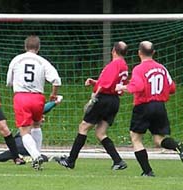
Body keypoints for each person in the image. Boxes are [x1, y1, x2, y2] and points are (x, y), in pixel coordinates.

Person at [115, 41, 183, 177]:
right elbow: (172, 88)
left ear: (139, 53)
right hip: (159, 106)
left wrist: (123, 87)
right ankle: (176, 145)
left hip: (143, 105)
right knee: (158, 139)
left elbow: (138, 87)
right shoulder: (162, 68)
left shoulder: (139, 69)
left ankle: (147, 171)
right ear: (153, 53)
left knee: (136, 138)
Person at [55, 41, 129, 170]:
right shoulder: (124, 66)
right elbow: (111, 83)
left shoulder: (114, 64)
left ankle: (70, 161)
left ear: (113, 51)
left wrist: (93, 98)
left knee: (83, 127)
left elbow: (105, 85)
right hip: (114, 100)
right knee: (100, 132)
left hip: (104, 99)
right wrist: (95, 82)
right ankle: (118, 161)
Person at [6, 35, 62, 170]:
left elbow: (8, 82)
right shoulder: (42, 61)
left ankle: (36, 156)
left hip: (21, 97)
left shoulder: (16, 60)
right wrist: (53, 94)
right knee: (36, 126)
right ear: (38, 48)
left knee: (24, 131)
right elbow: (56, 80)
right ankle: (37, 154)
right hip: (38, 98)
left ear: (25, 47)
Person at [0, 97, 63, 162]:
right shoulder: (31, 116)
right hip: (20, 142)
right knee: (16, 151)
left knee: (42, 157)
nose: (43, 120)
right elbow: (43, 109)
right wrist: (54, 102)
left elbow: (43, 109)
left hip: (27, 145)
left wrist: (54, 103)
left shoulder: (34, 115)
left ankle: (27, 157)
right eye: (42, 117)